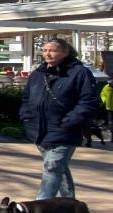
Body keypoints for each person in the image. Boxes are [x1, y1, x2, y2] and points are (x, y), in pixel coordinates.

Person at [19, 37, 99, 200]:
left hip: (64, 130)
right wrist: (26, 117)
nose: (48, 54)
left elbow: (89, 101)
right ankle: (70, 207)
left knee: (52, 167)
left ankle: (39, 208)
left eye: (53, 50)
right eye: (45, 50)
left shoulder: (79, 73)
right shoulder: (37, 74)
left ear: (65, 52)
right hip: (39, 131)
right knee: (58, 169)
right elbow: (26, 98)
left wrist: (70, 121)